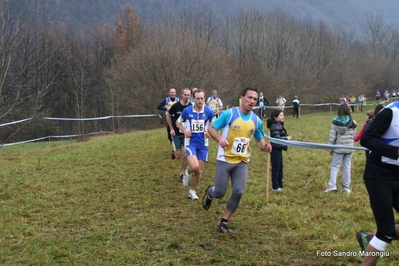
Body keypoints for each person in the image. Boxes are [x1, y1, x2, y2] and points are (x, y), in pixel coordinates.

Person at [202, 87, 272, 233]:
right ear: (242, 98)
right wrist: (220, 138)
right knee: (220, 192)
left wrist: (265, 147)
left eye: (255, 99)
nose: (252, 101)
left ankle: (223, 221)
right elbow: (211, 129)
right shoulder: (229, 114)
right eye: (250, 97)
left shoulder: (256, 120)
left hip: (242, 161)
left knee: (238, 191)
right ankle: (210, 192)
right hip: (225, 159)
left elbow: (259, 140)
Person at [357, 101, 399, 266]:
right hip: (379, 176)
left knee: (386, 231)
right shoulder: (391, 112)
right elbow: (366, 139)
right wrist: (395, 152)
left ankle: (370, 240)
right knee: (386, 230)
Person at [176, 89, 214, 200]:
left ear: (205, 98)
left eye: (202, 98)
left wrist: (209, 132)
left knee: (198, 170)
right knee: (195, 166)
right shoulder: (187, 111)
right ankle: (187, 173)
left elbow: (215, 124)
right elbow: (178, 122)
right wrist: (184, 130)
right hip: (190, 143)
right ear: (194, 99)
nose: (200, 100)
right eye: (198, 98)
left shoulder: (209, 112)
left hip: (203, 144)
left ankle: (192, 191)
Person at [324, 104, 357, 193]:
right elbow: (353, 136)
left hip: (338, 148)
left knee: (335, 166)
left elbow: (332, 137)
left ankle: (332, 186)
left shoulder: (335, 122)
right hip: (349, 148)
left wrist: (330, 149)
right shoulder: (353, 123)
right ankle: (346, 187)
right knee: (347, 166)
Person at [166, 88, 192, 181]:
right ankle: (174, 152)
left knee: (186, 154)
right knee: (178, 156)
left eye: (188, 95)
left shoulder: (191, 107)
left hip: (186, 134)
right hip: (177, 132)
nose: (186, 96)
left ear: (190, 96)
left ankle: (182, 173)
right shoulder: (176, 106)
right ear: (181, 95)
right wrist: (171, 128)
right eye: (185, 94)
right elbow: (168, 116)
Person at [267, 109, 292, 192]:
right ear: (275, 117)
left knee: (280, 167)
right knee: (276, 168)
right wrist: (286, 138)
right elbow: (276, 139)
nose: (283, 116)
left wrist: (286, 136)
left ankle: (280, 185)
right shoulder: (274, 126)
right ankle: (275, 186)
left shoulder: (278, 125)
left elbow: (281, 134)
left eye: (283, 115)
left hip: (279, 148)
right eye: (281, 115)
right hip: (275, 149)